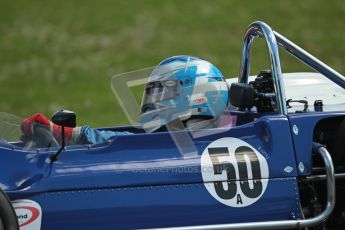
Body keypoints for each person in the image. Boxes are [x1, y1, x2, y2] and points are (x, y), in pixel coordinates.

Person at [21, 55, 229, 145]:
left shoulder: (194, 144)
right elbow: (138, 139)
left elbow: (131, 145)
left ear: (196, 96)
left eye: (162, 93)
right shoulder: (175, 137)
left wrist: (69, 134)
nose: (154, 100)